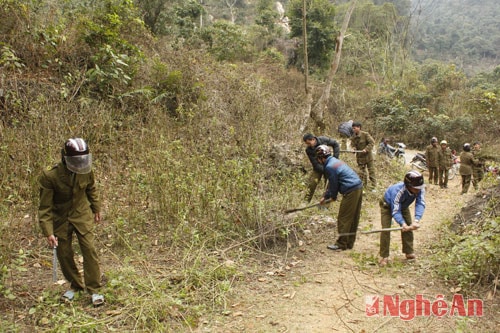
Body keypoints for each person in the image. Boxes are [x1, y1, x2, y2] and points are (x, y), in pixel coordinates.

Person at [38, 138, 105, 306]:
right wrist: (48, 231)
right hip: (60, 217)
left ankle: (94, 289)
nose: (80, 163)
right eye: (76, 160)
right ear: (65, 158)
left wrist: (96, 208)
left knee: (89, 249)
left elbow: (91, 188)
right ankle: (76, 285)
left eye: (82, 159)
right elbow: (45, 207)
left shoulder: (85, 168)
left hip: (81, 213)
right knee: (64, 253)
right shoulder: (50, 176)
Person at [316, 145, 363, 251]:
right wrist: (326, 196)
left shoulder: (329, 167)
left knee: (344, 217)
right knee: (353, 217)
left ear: (320, 158)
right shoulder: (334, 161)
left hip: (351, 190)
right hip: (358, 187)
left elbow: (333, 185)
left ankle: (341, 244)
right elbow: (332, 183)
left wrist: (332, 197)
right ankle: (349, 243)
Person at [378, 170, 426, 267]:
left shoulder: (420, 189)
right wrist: (402, 223)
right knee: (386, 229)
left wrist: (416, 220)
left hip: (403, 206)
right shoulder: (398, 191)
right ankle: (384, 256)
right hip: (387, 205)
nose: (418, 190)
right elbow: (395, 210)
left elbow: (420, 203)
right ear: (408, 185)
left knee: (409, 226)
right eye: (415, 188)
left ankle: (408, 251)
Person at [303, 133, 340, 202]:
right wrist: (326, 170)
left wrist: (335, 159)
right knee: (312, 183)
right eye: (307, 144)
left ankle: (325, 203)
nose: (308, 145)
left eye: (309, 143)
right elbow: (315, 164)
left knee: (329, 186)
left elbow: (335, 144)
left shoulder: (323, 139)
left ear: (313, 139)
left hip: (329, 164)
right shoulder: (308, 150)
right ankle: (306, 201)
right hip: (319, 168)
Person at [350, 122, 376, 191]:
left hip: (368, 157)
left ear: (359, 127)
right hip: (360, 158)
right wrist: (353, 149)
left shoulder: (365, 134)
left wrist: (366, 149)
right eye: (352, 128)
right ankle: (364, 186)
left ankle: (373, 187)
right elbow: (352, 145)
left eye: (354, 128)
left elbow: (372, 142)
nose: (353, 129)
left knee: (371, 172)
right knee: (362, 173)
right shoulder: (353, 137)